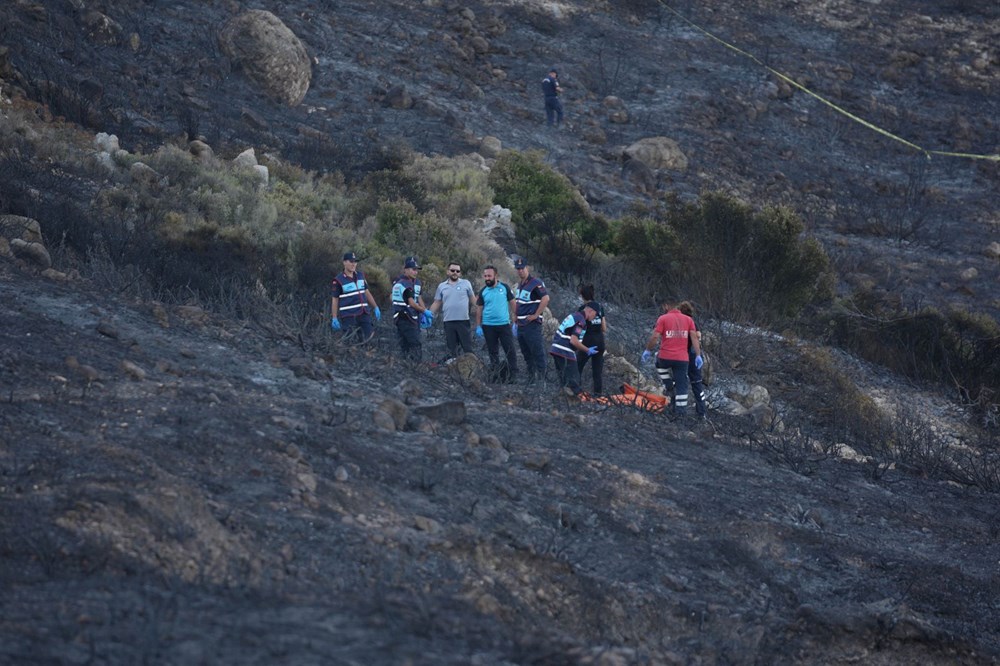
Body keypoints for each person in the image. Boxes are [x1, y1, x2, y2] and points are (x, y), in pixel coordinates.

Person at [641, 300, 702, 417]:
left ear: (666, 305)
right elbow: (695, 338)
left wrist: (648, 350)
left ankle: (669, 385)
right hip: (682, 359)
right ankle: (680, 414)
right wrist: (698, 355)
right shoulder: (688, 320)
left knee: (659, 365)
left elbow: (655, 337)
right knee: (682, 386)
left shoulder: (663, 318)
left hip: (665, 357)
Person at [475, 265, 518, 382]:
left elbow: (513, 304)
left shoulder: (504, 288)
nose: (487, 278)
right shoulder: (483, 291)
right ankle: (496, 374)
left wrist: (516, 320)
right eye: (485, 276)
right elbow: (479, 309)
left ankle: (514, 374)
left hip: (504, 325)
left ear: (496, 276)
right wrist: (478, 326)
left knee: (510, 349)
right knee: (492, 351)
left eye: (489, 276)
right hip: (488, 326)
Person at [550, 302, 599, 397]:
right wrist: (587, 350)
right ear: (590, 310)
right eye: (596, 314)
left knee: (564, 382)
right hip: (565, 351)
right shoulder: (581, 321)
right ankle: (581, 403)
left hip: (556, 349)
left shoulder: (574, 315)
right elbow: (573, 341)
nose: (595, 317)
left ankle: (564, 403)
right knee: (574, 383)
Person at [429, 261, 477, 358]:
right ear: (448, 272)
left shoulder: (466, 283)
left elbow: (473, 300)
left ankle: (471, 370)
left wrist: (482, 313)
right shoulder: (442, 286)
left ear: (460, 273)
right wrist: (428, 314)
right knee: (452, 350)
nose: (455, 272)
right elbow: (437, 302)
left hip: (463, 321)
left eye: (457, 271)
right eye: (452, 270)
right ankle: (454, 371)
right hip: (449, 322)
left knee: (468, 349)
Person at [513, 257, 550, 382]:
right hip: (521, 325)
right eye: (518, 269)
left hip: (531, 325)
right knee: (526, 354)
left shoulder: (536, 282)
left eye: (522, 268)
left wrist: (536, 314)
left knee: (537, 353)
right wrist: (515, 315)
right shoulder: (520, 284)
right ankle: (531, 378)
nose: (520, 271)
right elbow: (519, 302)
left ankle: (542, 380)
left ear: (527, 268)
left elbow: (545, 299)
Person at [330, 251, 380, 342]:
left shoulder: (360, 275)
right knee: (350, 341)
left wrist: (375, 307)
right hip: (349, 315)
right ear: (344, 262)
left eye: (355, 262)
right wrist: (334, 317)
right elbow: (335, 299)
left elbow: (366, 292)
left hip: (363, 313)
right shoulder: (338, 280)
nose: (353, 264)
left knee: (368, 339)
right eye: (351, 261)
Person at [391, 256, 429, 361]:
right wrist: (425, 311)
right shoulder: (402, 283)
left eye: (416, 270)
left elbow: (418, 297)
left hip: (414, 317)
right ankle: (415, 365)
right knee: (414, 343)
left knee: (407, 343)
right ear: (406, 269)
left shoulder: (417, 282)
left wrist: (423, 312)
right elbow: (411, 302)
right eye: (413, 269)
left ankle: (407, 364)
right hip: (404, 316)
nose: (415, 272)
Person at [677, 301, 708, 418]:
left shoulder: (680, 322)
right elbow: (699, 336)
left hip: (681, 355)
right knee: (697, 383)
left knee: (679, 382)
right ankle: (702, 412)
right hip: (693, 354)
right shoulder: (693, 322)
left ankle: (679, 410)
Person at [575, 284, 607, 395]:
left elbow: (578, 329)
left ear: (582, 295)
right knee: (597, 372)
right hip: (600, 342)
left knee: (577, 367)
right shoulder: (600, 307)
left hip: (587, 342)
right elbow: (604, 328)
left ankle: (576, 392)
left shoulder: (582, 309)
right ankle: (598, 396)